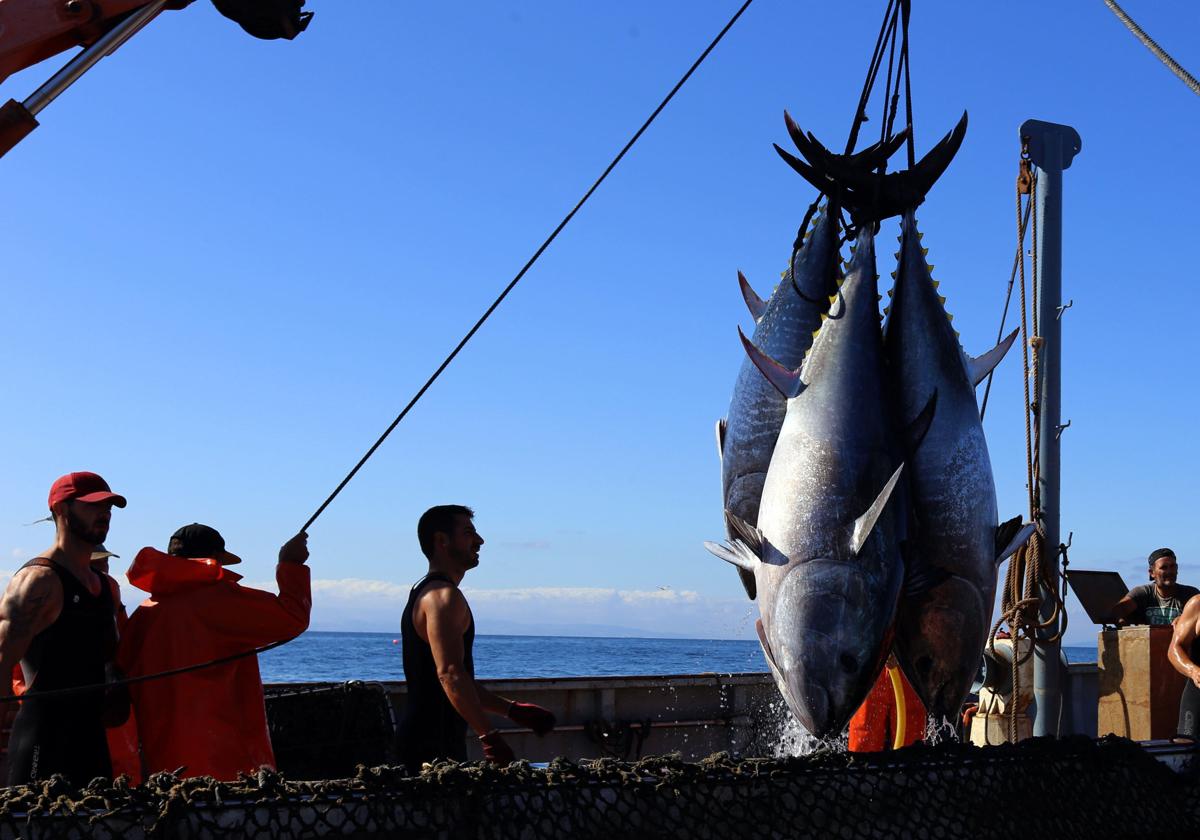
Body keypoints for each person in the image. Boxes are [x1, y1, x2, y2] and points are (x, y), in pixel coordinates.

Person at [116, 523, 311, 780]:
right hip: (222, 762)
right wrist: (290, 564)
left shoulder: (145, 612)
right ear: (214, 560)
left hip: (158, 762)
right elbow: (292, 617)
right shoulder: (222, 601)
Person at [396, 505, 556, 773]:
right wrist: (488, 737)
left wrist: (512, 711)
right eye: (469, 532)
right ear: (441, 540)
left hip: (431, 741)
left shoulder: (424, 591)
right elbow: (449, 674)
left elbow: (452, 683)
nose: (480, 541)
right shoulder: (442, 598)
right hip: (429, 749)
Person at [0, 472, 127, 786]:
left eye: (109, 506)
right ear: (61, 510)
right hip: (42, 742)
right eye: (93, 506)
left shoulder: (104, 587)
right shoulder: (39, 581)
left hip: (93, 741)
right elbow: (1, 659)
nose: (105, 513)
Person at [1112, 548, 1200, 626]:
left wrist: (1183, 620)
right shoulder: (1143, 593)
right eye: (1164, 568)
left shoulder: (1190, 594)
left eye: (1172, 566)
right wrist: (1121, 620)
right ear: (1152, 572)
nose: (1169, 571)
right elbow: (1118, 610)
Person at [1167, 592, 1200, 739]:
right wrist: (1193, 671)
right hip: (1197, 692)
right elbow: (1174, 649)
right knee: (1187, 750)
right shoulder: (1197, 604)